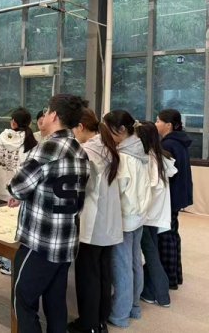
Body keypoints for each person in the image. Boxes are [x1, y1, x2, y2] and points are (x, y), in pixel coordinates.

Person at [9, 94, 89, 333]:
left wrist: (18, 191)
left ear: (53, 115)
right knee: (55, 302)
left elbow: (18, 187)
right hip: (67, 239)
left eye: (45, 111)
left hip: (41, 242)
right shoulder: (80, 150)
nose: (43, 116)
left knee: (22, 299)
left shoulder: (47, 147)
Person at [68, 108, 122, 333]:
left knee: (87, 275)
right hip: (109, 223)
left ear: (80, 127)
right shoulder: (108, 146)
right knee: (103, 274)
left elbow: (84, 187)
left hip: (92, 222)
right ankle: (100, 321)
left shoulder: (87, 152)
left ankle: (88, 324)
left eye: (72, 128)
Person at [104, 110, 151, 328]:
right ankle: (134, 306)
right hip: (139, 216)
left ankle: (119, 315)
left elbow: (118, 190)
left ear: (121, 129)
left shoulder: (124, 156)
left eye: (108, 130)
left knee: (121, 266)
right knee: (134, 262)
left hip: (124, 218)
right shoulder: (141, 150)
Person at [0, 107, 38, 276]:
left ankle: (0, 257)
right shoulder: (31, 142)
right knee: (12, 228)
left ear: (13, 122)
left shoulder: (1, 138)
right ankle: (9, 262)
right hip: (16, 192)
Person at [136, 121, 176, 308]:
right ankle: (151, 291)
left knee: (151, 256)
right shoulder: (160, 156)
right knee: (152, 253)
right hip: (156, 215)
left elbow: (148, 190)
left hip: (147, 216)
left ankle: (162, 294)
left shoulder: (148, 160)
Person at [155, 108, 193, 290]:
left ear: (168, 125)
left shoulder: (168, 144)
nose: (156, 124)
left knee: (166, 236)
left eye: (158, 121)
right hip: (180, 194)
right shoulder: (180, 142)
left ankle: (168, 278)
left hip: (171, 196)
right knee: (173, 234)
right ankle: (176, 274)